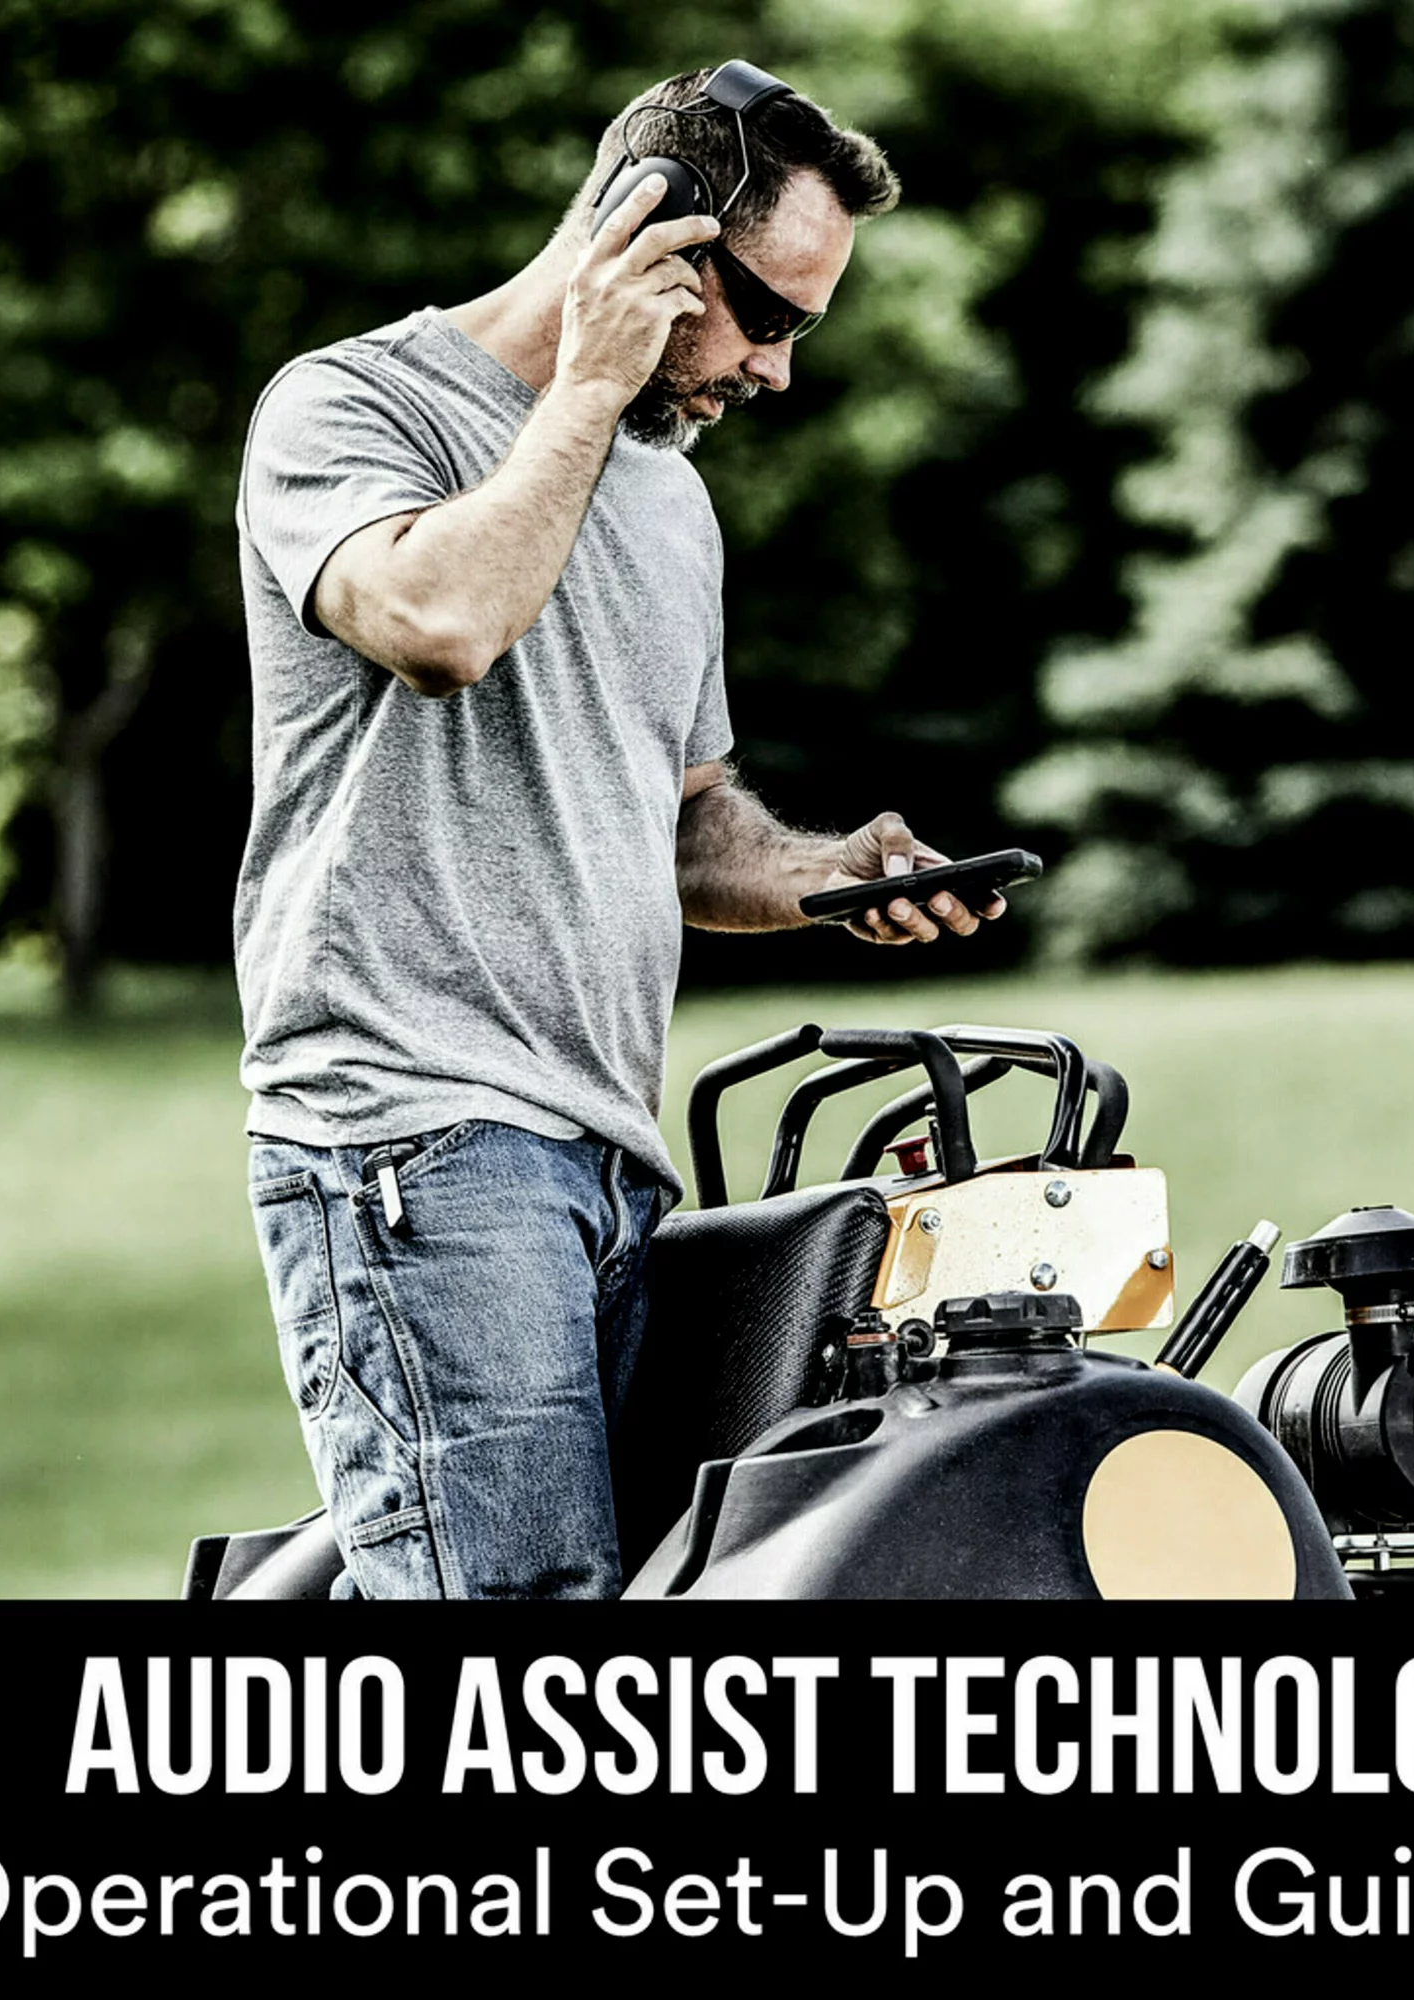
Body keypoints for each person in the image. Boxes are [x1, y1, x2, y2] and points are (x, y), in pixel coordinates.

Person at [232, 63, 1004, 1600]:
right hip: (413, 1135)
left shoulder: (668, 500)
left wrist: (828, 877)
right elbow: (440, 622)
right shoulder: (352, 406)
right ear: (647, 232)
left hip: (607, 1163)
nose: (776, 372)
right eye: (766, 317)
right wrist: (585, 386)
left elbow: (689, 825)